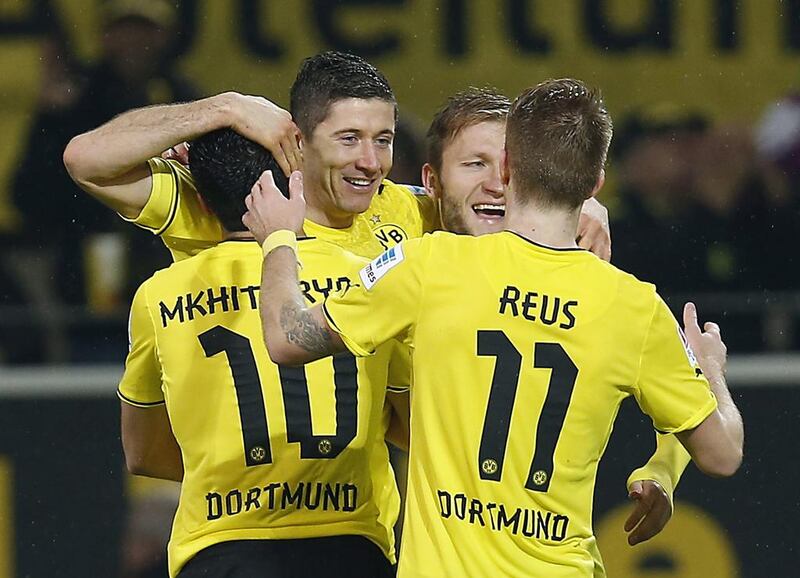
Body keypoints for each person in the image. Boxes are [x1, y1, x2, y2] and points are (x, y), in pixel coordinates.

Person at [244, 78, 744, 577]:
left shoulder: (430, 265)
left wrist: (279, 241)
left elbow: (288, 337)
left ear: (509, 168)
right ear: (596, 185)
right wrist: (710, 374)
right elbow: (722, 454)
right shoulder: (635, 306)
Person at [119, 128, 404, 577]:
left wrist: (243, 481)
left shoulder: (160, 295)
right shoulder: (370, 278)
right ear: (294, 181)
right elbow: (410, 419)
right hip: (350, 542)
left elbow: (141, 453)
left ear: (204, 202)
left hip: (221, 548)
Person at [420, 86, 690, 547]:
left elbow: (685, 405)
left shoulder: (594, 282)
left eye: (503, 163)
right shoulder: (407, 251)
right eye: (474, 164)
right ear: (432, 181)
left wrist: (663, 469)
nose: (495, 181)